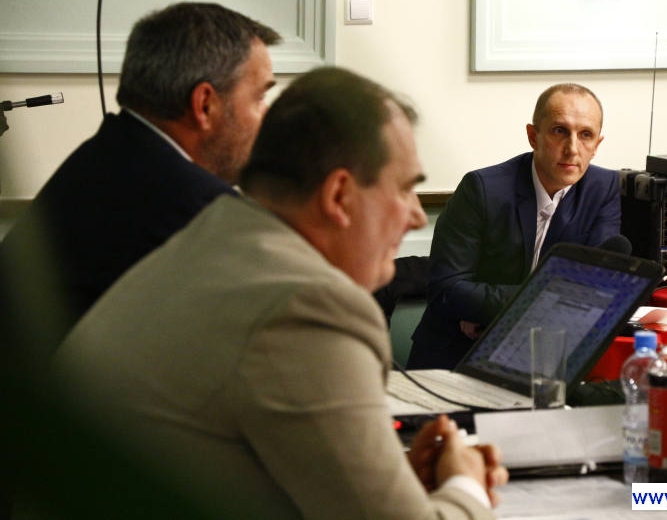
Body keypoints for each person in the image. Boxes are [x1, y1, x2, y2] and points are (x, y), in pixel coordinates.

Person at [52, 67, 508, 519]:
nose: (416, 216)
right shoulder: (308, 307)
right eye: (406, 189)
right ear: (339, 196)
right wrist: (466, 484)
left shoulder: (212, 240)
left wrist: (393, 480)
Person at [0, 3, 280, 357]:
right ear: (205, 105)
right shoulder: (199, 209)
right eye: (259, 97)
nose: (267, 116)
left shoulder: (109, 153)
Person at [408, 83, 621, 370]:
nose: (572, 149)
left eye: (586, 135)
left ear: (596, 145)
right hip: (458, 354)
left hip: (542, 353)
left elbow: (597, 289)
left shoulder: (603, 187)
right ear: (533, 137)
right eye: (560, 131)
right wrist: (549, 300)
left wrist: (496, 312)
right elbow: (446, 290)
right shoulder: (483, 189)